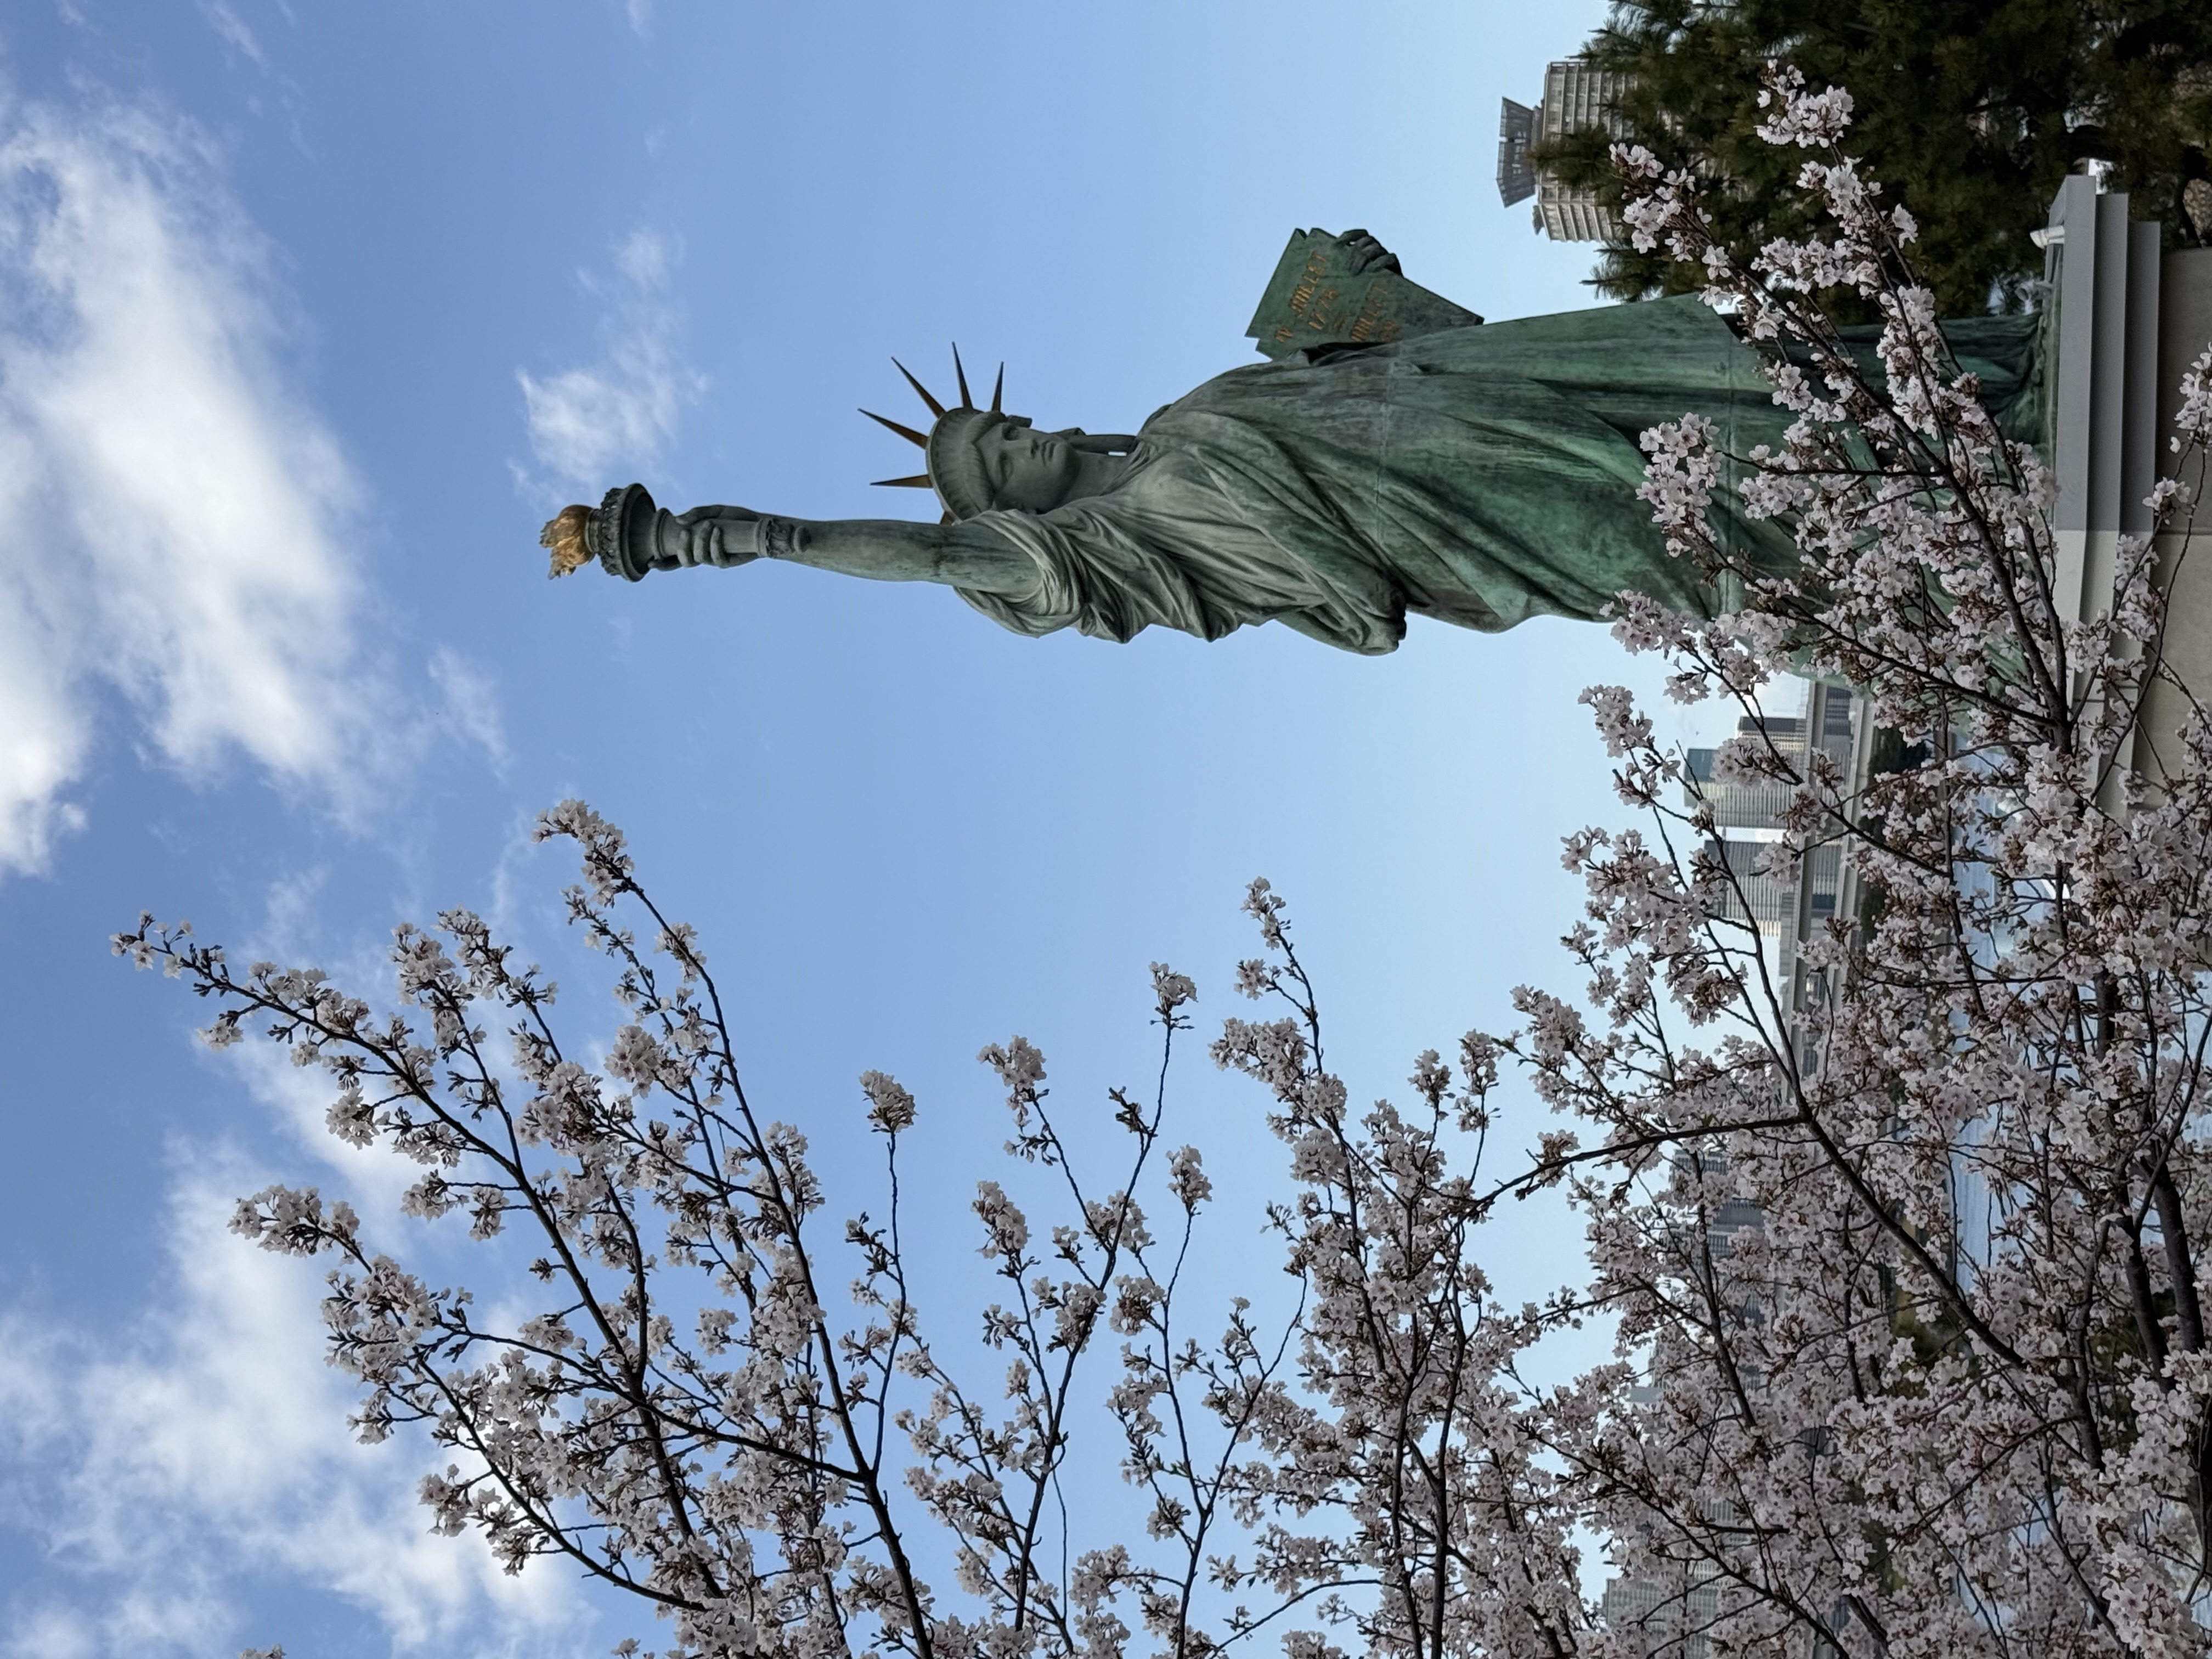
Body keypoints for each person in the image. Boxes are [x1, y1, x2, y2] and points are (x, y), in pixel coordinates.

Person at [541, 232, 2042, 655]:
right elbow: (914, 559)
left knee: (1701, 358)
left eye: (1008, 419)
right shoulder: (1097, 556)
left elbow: (1372, 352)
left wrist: (1350, 296)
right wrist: (719, 537)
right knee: (1701, 526)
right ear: (1002, 514)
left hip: (1498, 392)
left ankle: (1975, 403)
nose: (1027, 433)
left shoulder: (1180, 418)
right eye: (1002, 452)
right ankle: (1954, 531)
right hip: (1460, 514)